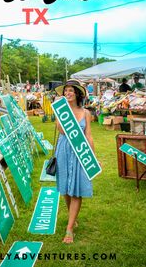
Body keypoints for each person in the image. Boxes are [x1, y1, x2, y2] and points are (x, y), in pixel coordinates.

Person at [55, 79, 97, 244]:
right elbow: (61, 130)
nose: (68, 93)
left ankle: (70, 228)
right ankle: (72, 217)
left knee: (76, 189)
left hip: (80, 152)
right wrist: (61, 112)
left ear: (77, 93)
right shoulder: (61, 111)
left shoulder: (86, 113)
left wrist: (93, 157)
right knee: (65, 189)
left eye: (71, 90)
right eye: (66, 90)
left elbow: (88, 135)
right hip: (64, 150)